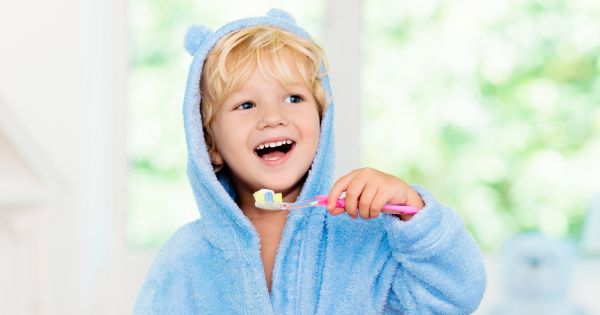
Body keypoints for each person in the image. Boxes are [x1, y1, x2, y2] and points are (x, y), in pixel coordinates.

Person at [134, 8, 486, 314]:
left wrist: (413, 213)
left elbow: (456, 295)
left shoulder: (364, 233)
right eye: (246, 105)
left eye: (293, 97)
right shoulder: (184, 261)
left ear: (322, 119)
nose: (273, 117)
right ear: (209, 145)